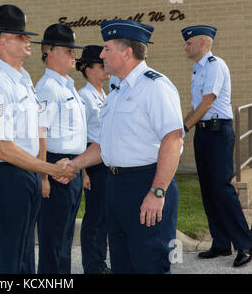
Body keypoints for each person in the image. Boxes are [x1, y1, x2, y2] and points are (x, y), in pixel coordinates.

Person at [60, 20, 184, 274]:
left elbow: (173, 140)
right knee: (122, 264)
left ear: (126, 52)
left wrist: (157, 192)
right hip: (116, 186)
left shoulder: (155, 87)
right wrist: (74, 164)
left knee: (149, 264)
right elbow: (104, 145)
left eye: (107, 48)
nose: (101, 54)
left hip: (146, 184)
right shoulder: (116, 91)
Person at [0, 5, 75, 274]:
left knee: (26, 255)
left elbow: (36, 132)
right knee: (11, 257)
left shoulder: (23, 80)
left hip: (28, 173)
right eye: (20, 36)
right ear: (1, 42)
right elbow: (3, 148)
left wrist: (41, 173)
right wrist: (49, 169)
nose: (28, 40)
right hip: (8, 176)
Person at [181, 25, 252, 267]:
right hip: (203, 133)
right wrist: (184, 126)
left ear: (203, 43)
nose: (185, 46)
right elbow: (197, 106)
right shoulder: (197, 70)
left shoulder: (215, 65)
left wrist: (184, 129)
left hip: (218, 132)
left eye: (189, 42)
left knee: (222, 189)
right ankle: (221, 243)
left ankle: (245, 244)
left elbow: (207, 103)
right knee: (209, 190)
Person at [33, 23, 87, 274]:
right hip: (55, 166)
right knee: (54, 239)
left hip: (73, 165)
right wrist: (44, 176)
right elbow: (39, 133)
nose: (74, 55)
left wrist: (82, 168)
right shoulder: (48, 87)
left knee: (65, 238)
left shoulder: (67, 86)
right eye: (68, 50)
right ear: (49, 51)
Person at [76, 45, 111, 274]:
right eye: (101, 65)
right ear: (88, 69)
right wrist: (84, 172)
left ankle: (100, 260)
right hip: (91, 159)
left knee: (105, 214)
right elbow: (80, 137)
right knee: (94, 216)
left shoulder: (104, 93)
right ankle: (92, 264)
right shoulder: (84, 96)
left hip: (106, 159)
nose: (106, 68)